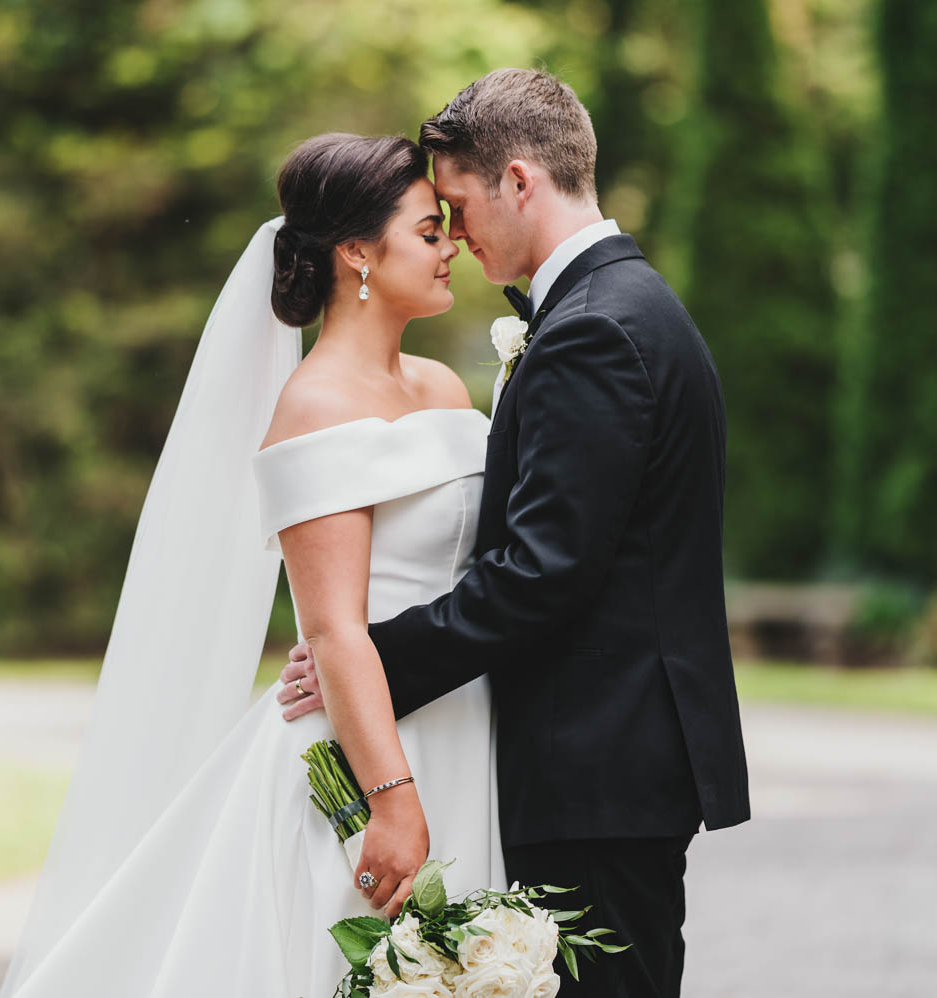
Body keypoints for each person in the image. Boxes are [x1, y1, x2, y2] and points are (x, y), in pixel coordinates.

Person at [0, 133, 505, 998]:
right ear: (357, 253)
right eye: (428, 230)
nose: (451, 245)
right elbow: (335, 627)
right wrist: (391, 798)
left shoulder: (443, 389)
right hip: (375, 753)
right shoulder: (313, 407)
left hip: (464, 722)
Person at [278, 68, 750, 998]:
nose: (453, 234)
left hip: (599, 769)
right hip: (590, 765)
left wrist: (372, 660)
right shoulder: (620, 307)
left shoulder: (595, 330)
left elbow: (543, 571)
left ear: (521, 182)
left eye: (455, 204)